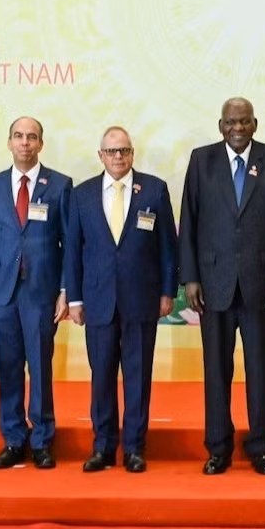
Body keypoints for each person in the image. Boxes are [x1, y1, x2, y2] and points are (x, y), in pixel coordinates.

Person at [179, 97, 265, 475]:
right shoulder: (201, 160)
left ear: (255, 124)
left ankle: (261, 446)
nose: (238, 129)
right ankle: (218, 447)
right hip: (213, 286)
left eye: (244, 122)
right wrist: (191, 278)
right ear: (220, 125)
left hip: (262, 286)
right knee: (216, 370)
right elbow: (189, 220)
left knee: (260, 369)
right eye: (231, 122)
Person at [62, 126, 178, 473]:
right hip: (97, 301)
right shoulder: (81, 195)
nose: (118, 157)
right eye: (111, 152)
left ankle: (134, 448)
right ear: (101, 155)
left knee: (138, 375)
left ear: (132, 153)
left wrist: (167, 291)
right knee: (101, 377)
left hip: (142, 298)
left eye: (124, 151)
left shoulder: (154, 190)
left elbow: (168, 248)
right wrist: (75, 299)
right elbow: (73, 252)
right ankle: (102, 446)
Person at [0, 116, 72, 469]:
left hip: (40, 293)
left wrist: (65, 290)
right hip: (1, 295)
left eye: (31, 137)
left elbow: (68, 244)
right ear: (8, 142)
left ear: (40, 144)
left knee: (40, 368)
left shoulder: (60, 185)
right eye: (18, 136)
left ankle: (43, 439)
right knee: (7, 369)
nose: (24, 143)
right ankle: (14, 438)